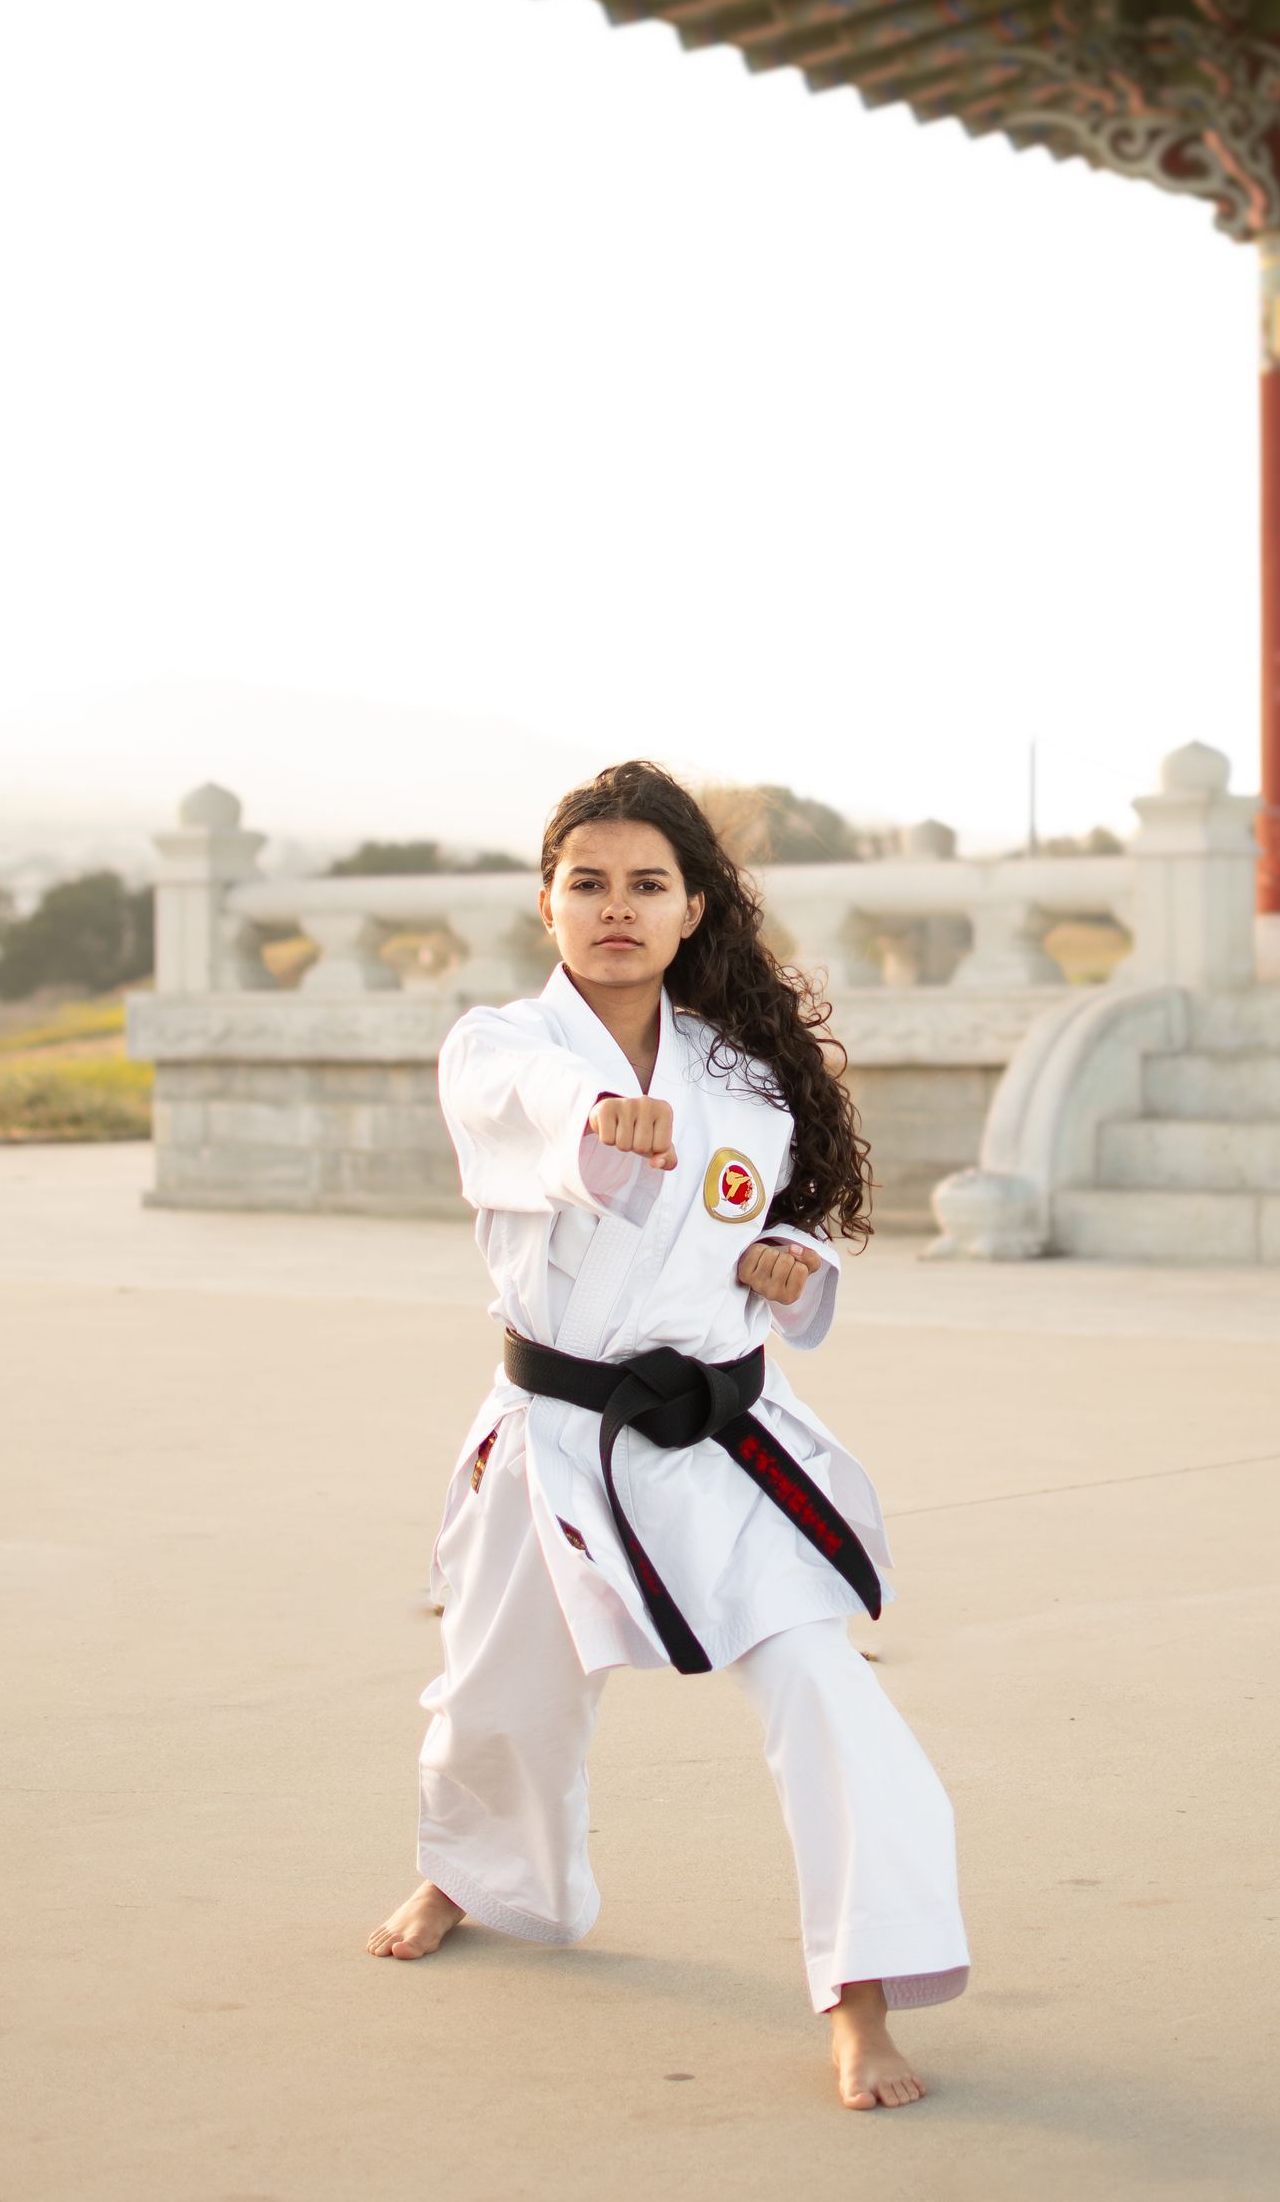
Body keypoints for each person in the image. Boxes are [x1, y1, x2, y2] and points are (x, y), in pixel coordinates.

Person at [367, 760, 969, 2110]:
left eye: (649, 885)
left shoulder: (746, 1078)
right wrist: (599, 1125)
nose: (617, 909)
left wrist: (793, 1267)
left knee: (826, 1689)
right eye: (589, 884)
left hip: (721, 1440)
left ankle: (860, 1997)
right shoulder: (499, 1048)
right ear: (547, 903)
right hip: (558, 1436)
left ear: (696, 909)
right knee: (498, 1695)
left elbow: (788, 1218)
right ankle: (473, 1875)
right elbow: (529, 1119)